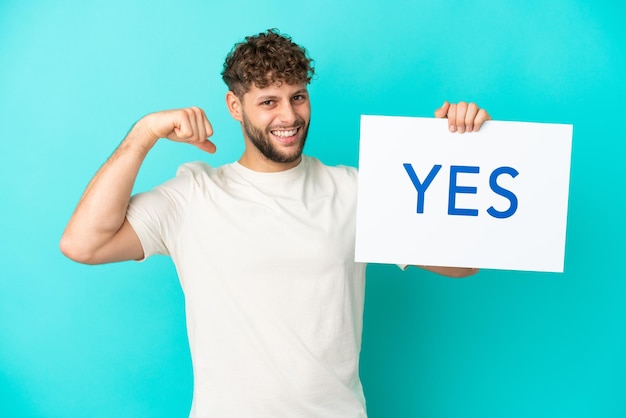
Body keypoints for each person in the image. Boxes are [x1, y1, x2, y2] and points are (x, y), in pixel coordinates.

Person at [60, 29, 491, 418]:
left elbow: (462, 264)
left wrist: (458, 153)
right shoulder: (193, 196)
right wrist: (144, 133)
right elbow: (84, 244)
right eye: (269, 101)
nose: (289, 116)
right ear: (235, 106)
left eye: (298, 97)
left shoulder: (354, 191)